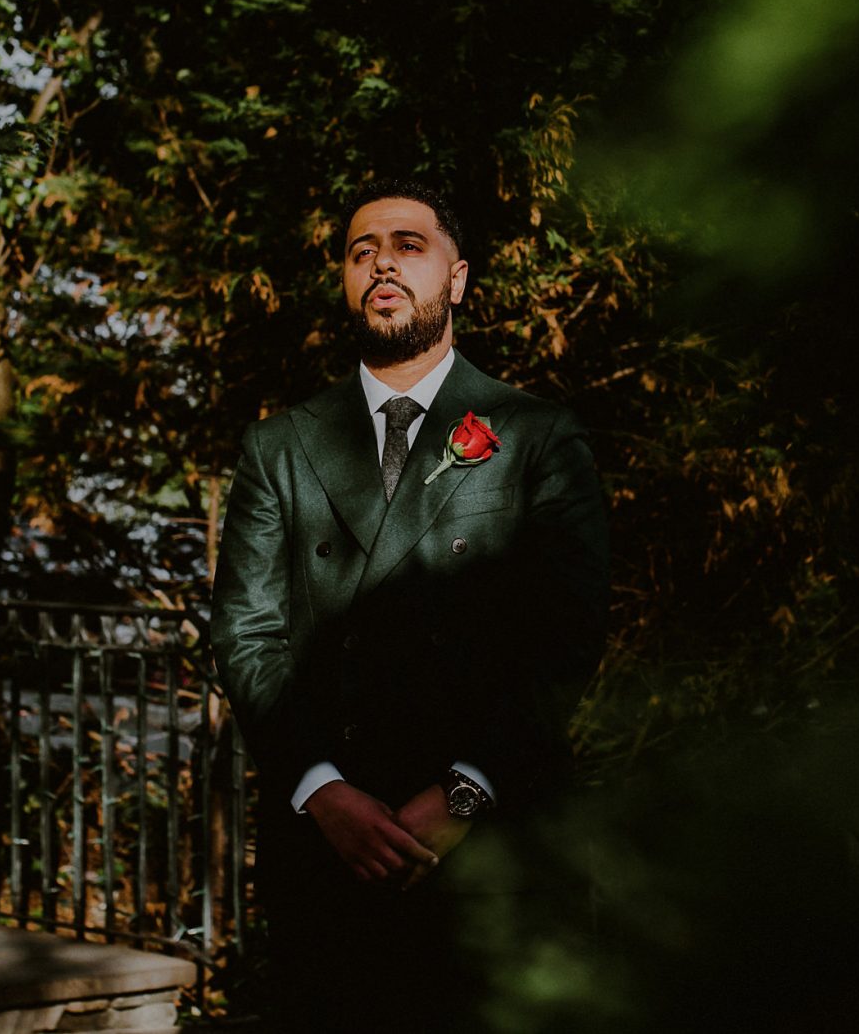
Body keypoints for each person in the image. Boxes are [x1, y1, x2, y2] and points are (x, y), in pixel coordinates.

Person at [212, 177, 610, 1031]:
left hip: (490, 845)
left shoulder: (537, 436)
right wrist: (322, 791)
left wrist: (463, 794)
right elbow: (246, 635)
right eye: (361, 252)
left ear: (457, 279)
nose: (381, 261)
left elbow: (565, 638)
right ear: (347, 284)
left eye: (407, 244)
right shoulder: (279, 447)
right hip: (327, 851)